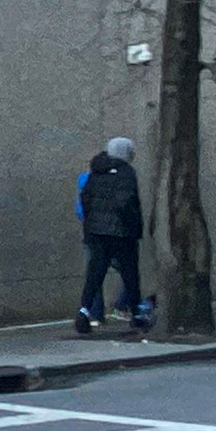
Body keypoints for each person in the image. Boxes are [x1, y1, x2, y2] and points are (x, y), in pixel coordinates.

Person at [75, 137, 149, 335]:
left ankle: (84, 311)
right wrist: (134, 227)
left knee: (94, 275)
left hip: (96, 233)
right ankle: (137, 315)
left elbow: (86, 197)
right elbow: (127, 202)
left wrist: (92, 222)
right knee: (130, 274)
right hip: (121, 233)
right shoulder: (126, 172)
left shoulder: (96, 171)